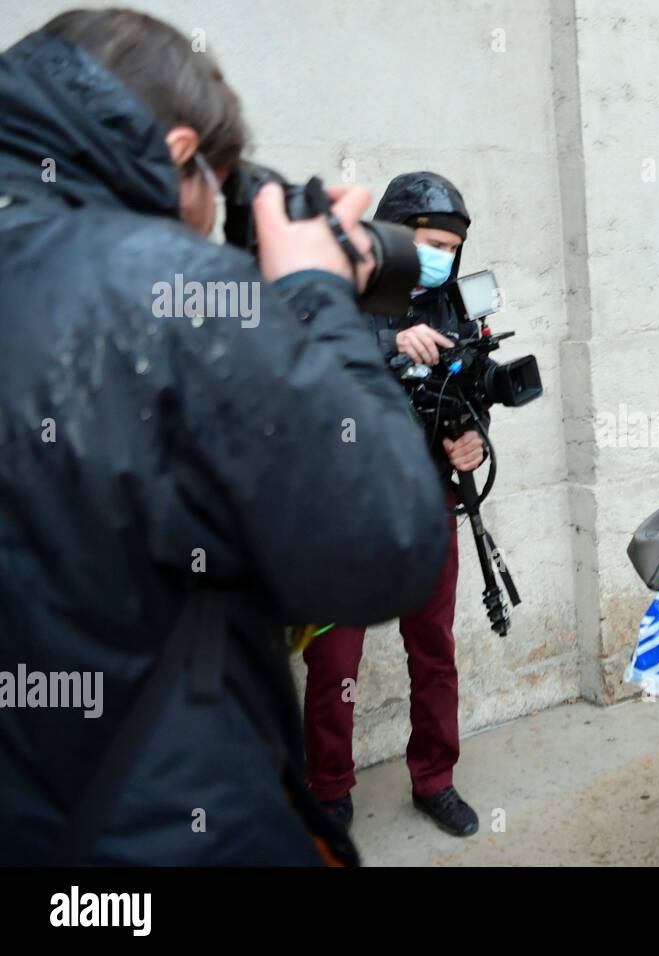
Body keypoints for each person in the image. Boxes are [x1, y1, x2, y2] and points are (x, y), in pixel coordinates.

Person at [0, 9, 448, 865]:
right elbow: (387, 545)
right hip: (166, 829)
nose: (211, 223)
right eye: (221, 186)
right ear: (178, 155)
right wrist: (319, 296)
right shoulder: (174, 289)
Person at [302, 172, 484, 837]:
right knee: (335, 660)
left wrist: (470, 443)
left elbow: (463, 401)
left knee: (433, 648)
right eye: (427, 242)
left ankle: (435, 777)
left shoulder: (448, 304)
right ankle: (328, 789)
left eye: (449, 246)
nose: (439, 256)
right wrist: (390, 344)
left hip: (429, 501)